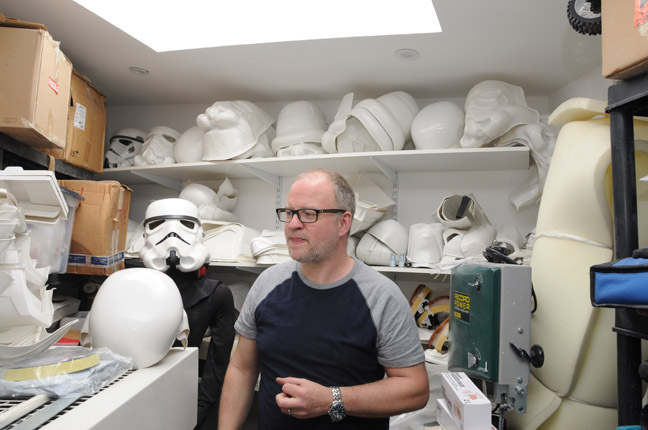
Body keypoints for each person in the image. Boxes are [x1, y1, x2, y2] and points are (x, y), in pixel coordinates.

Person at [218, 168, 429, 429]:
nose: (293, 223)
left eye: (309, 214)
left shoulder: (380, 296)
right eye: (289, 213)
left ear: (343, 223)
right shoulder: (267, 284)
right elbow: (242, 369)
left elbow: (415, 389)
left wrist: (332, 399)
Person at [136, 198, 236, 429]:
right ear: (146, 234)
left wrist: (195, 415)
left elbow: (217, 367)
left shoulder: (216, 294)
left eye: (184, 225)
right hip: (131, 395)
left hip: (180, 397)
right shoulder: (130, 285)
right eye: (158, 224)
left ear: (199, 233)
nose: (172, 234)